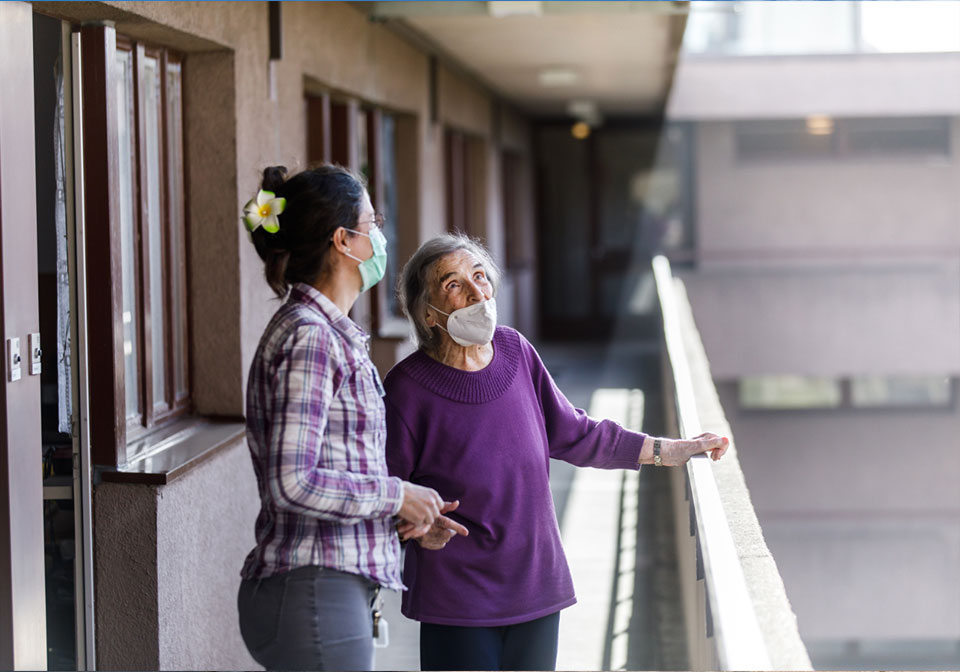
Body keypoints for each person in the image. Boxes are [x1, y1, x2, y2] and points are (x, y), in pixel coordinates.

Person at [384, 234, 728, 672]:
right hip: (457, 597)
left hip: (536, 585)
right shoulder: (407, 388)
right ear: (427, 313)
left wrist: (668, 450)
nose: (476, 292)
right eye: (453, 284)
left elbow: (576, 433)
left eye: (480, 276)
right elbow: (384, 490)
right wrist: (411, 528)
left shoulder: (516, 351)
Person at [236, 165, 466, 671]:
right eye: (372, 222)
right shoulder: (312, 338)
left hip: (322, 588)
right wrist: (397, 495)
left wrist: (397, 517)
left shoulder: (324, 331)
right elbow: (292, 482)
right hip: (313, 590)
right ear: (343, 240)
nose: (380, 236)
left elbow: (332, 469)